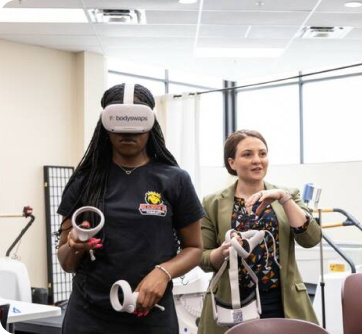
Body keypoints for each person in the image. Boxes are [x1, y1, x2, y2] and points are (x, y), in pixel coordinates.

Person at [57, 83, 204, 334]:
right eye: (119, 127)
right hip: (88, 317)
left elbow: (195, 248)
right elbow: (66, 263)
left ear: (150, 125)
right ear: (106, 126)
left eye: (136, 127)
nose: (128, 135)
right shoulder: (85, 180)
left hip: (151, 316)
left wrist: (163, 273)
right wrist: (74, 246)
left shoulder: (174, 179)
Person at [197, 129, 322, 334]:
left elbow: (311, 238)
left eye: (262, 154)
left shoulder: (287, 195)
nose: (257, 160)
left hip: (281, 301)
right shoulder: (212, 203)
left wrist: (284, 199)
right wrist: (225, 251)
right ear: (232, 163)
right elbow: (203, 257)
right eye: (247, 154)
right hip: (233, 302)